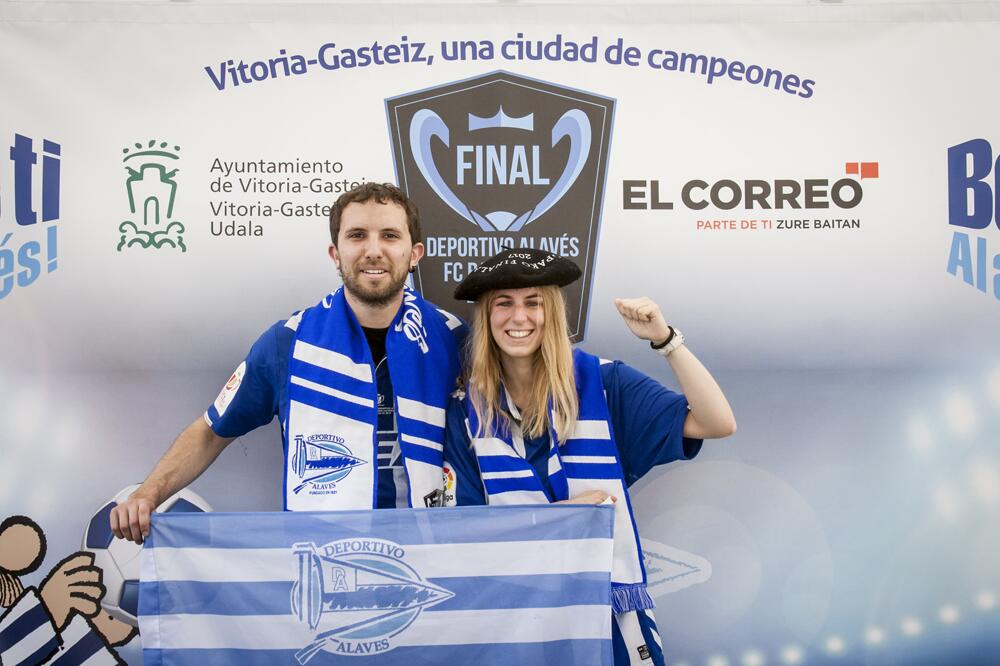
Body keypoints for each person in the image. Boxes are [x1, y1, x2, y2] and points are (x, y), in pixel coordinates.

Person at [111, 183, 466, 543]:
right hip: (323, 564)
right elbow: (210, 431)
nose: (373, 251)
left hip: (432, 557)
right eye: (357, 235)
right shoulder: (289, 342)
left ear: (415, 252)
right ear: (335, 253)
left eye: (389, 235)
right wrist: (148, 494)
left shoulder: (453, 340)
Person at [442, 248, 735, 666]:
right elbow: (469, 536)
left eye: (533, 303)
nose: (518, 317)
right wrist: (572, 518)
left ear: (554, 314)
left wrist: (665, 340)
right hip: (515, 615)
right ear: (487, 318)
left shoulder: (602, 384)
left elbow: (716, 421)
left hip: (608, 614)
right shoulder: (465, 411)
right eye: (503, 304)